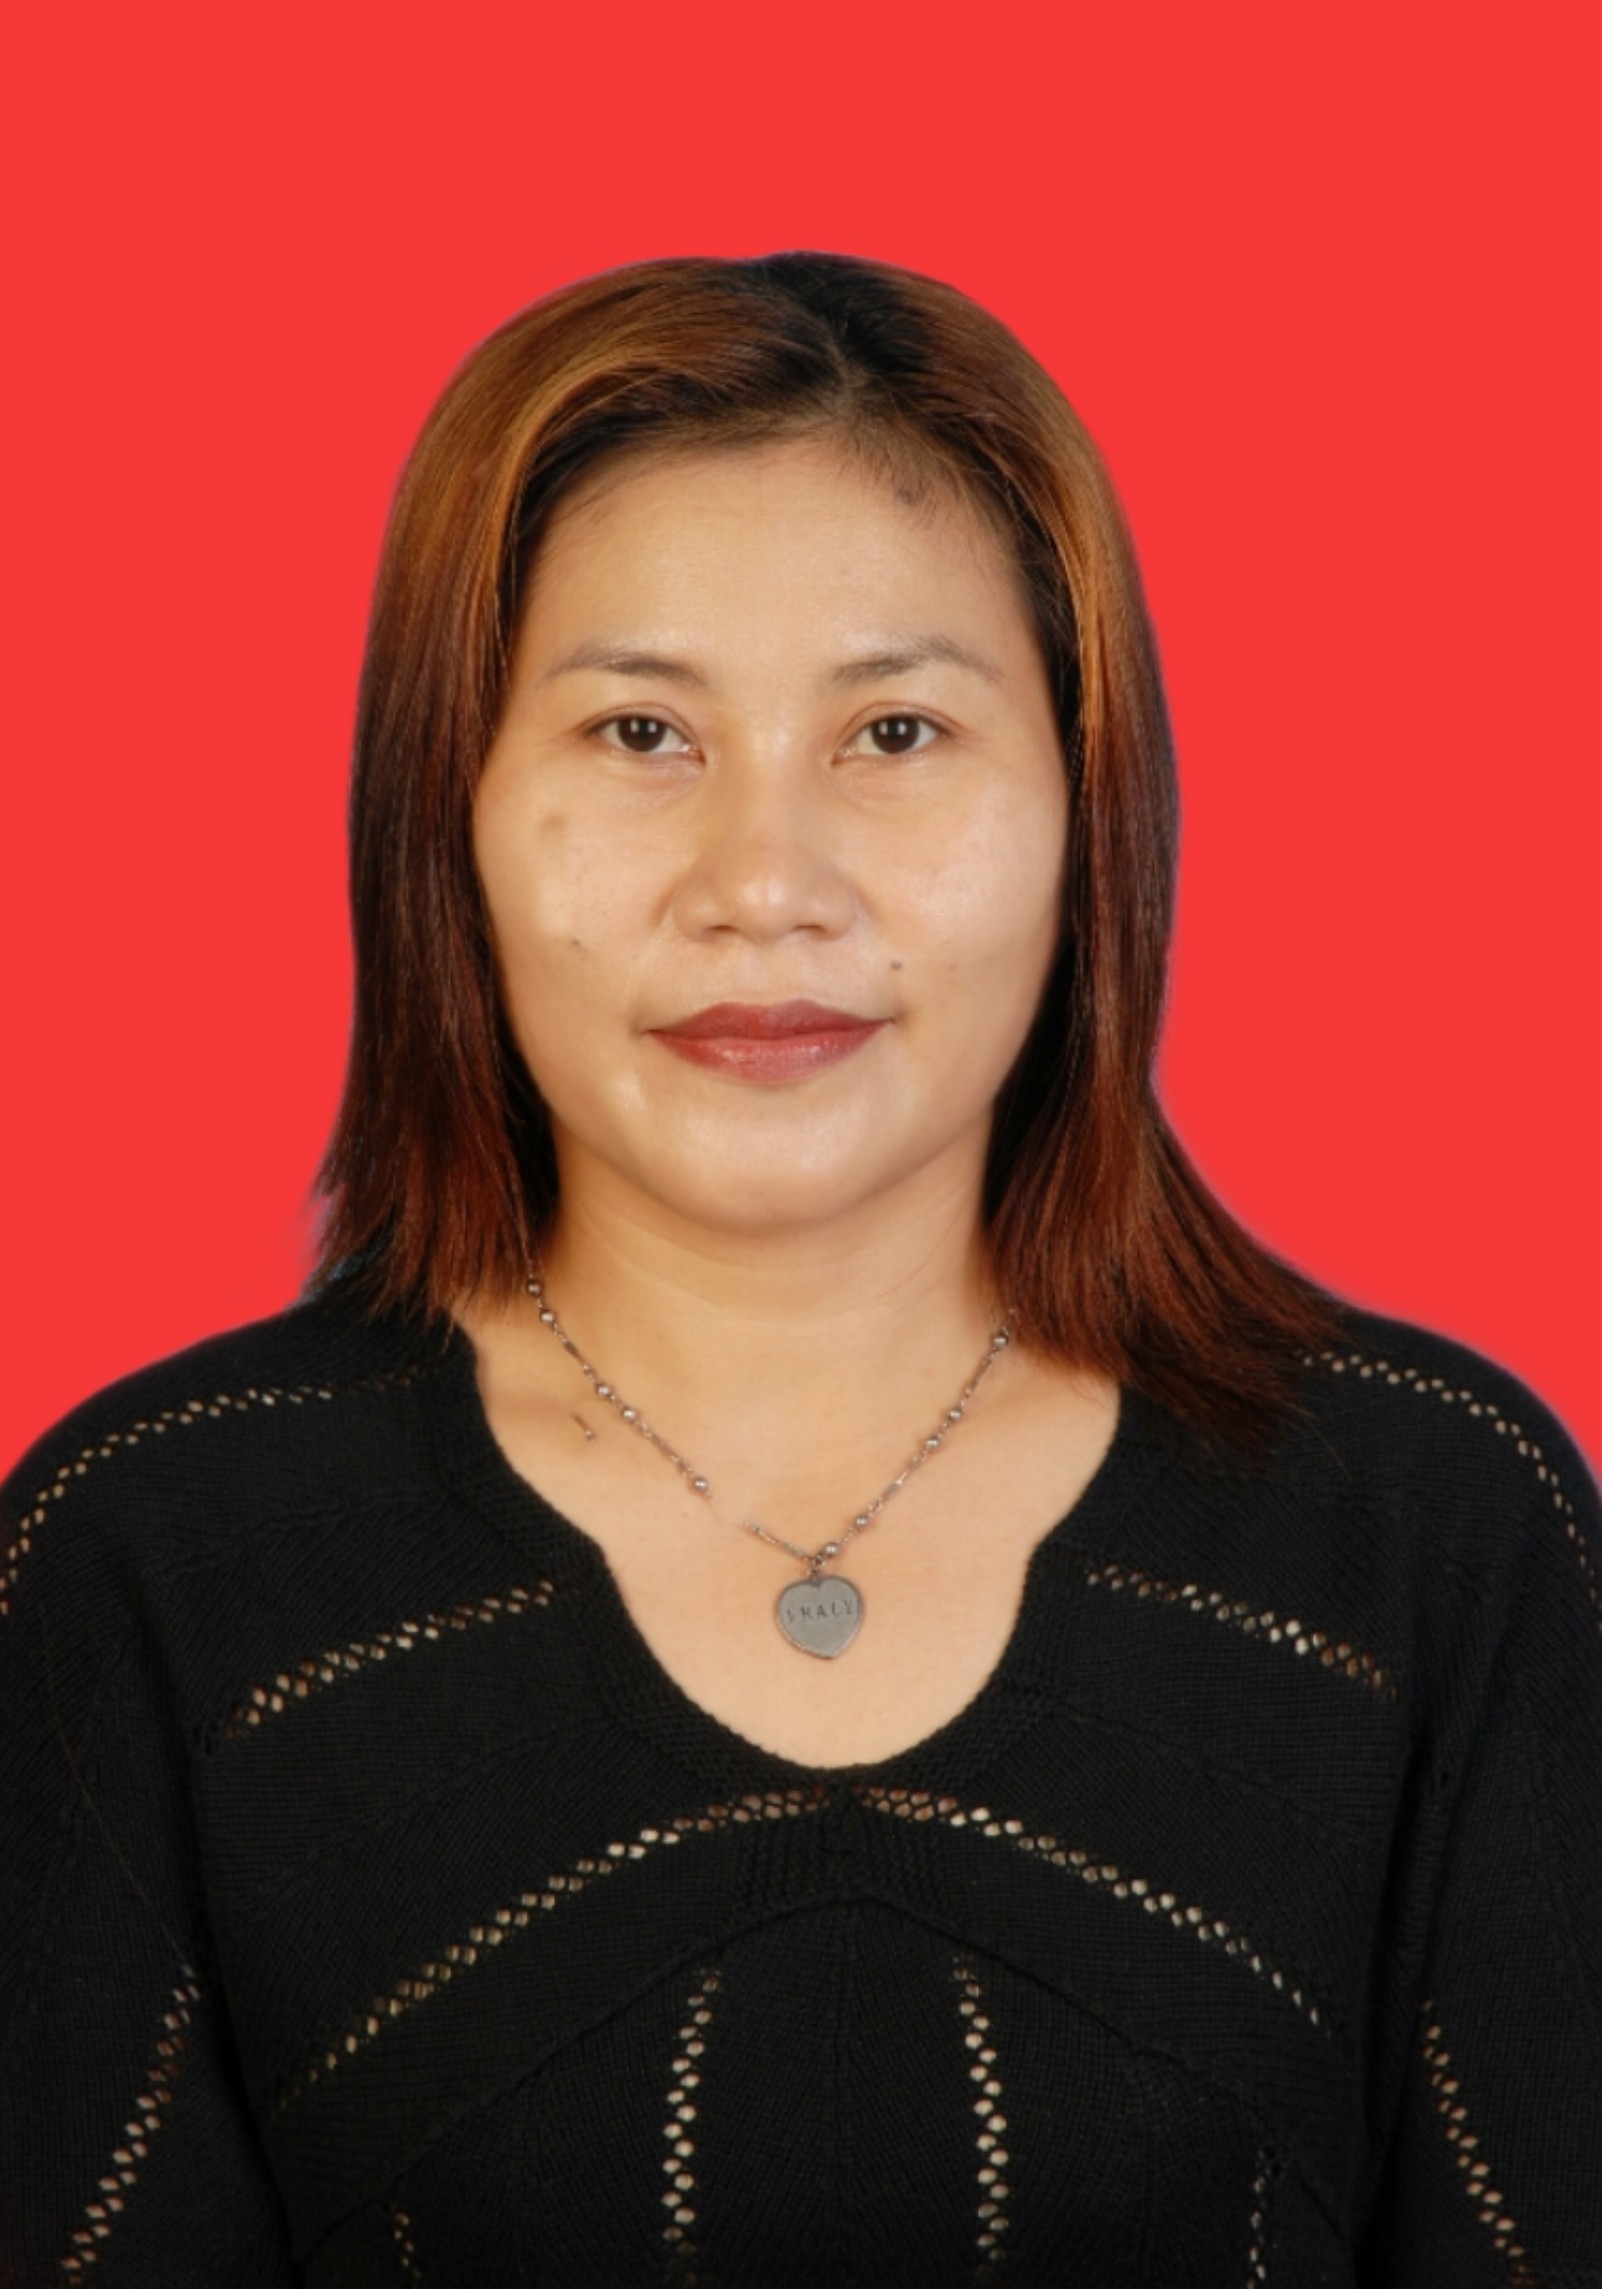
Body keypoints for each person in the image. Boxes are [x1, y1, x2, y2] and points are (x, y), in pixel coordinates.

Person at [2, 251, 1597, 2288]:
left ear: (1088, 812)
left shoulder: (1434, 1534)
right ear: (447, 814)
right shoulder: (152, 1563)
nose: (765, 883)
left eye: (897, 729)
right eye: (640, 729)